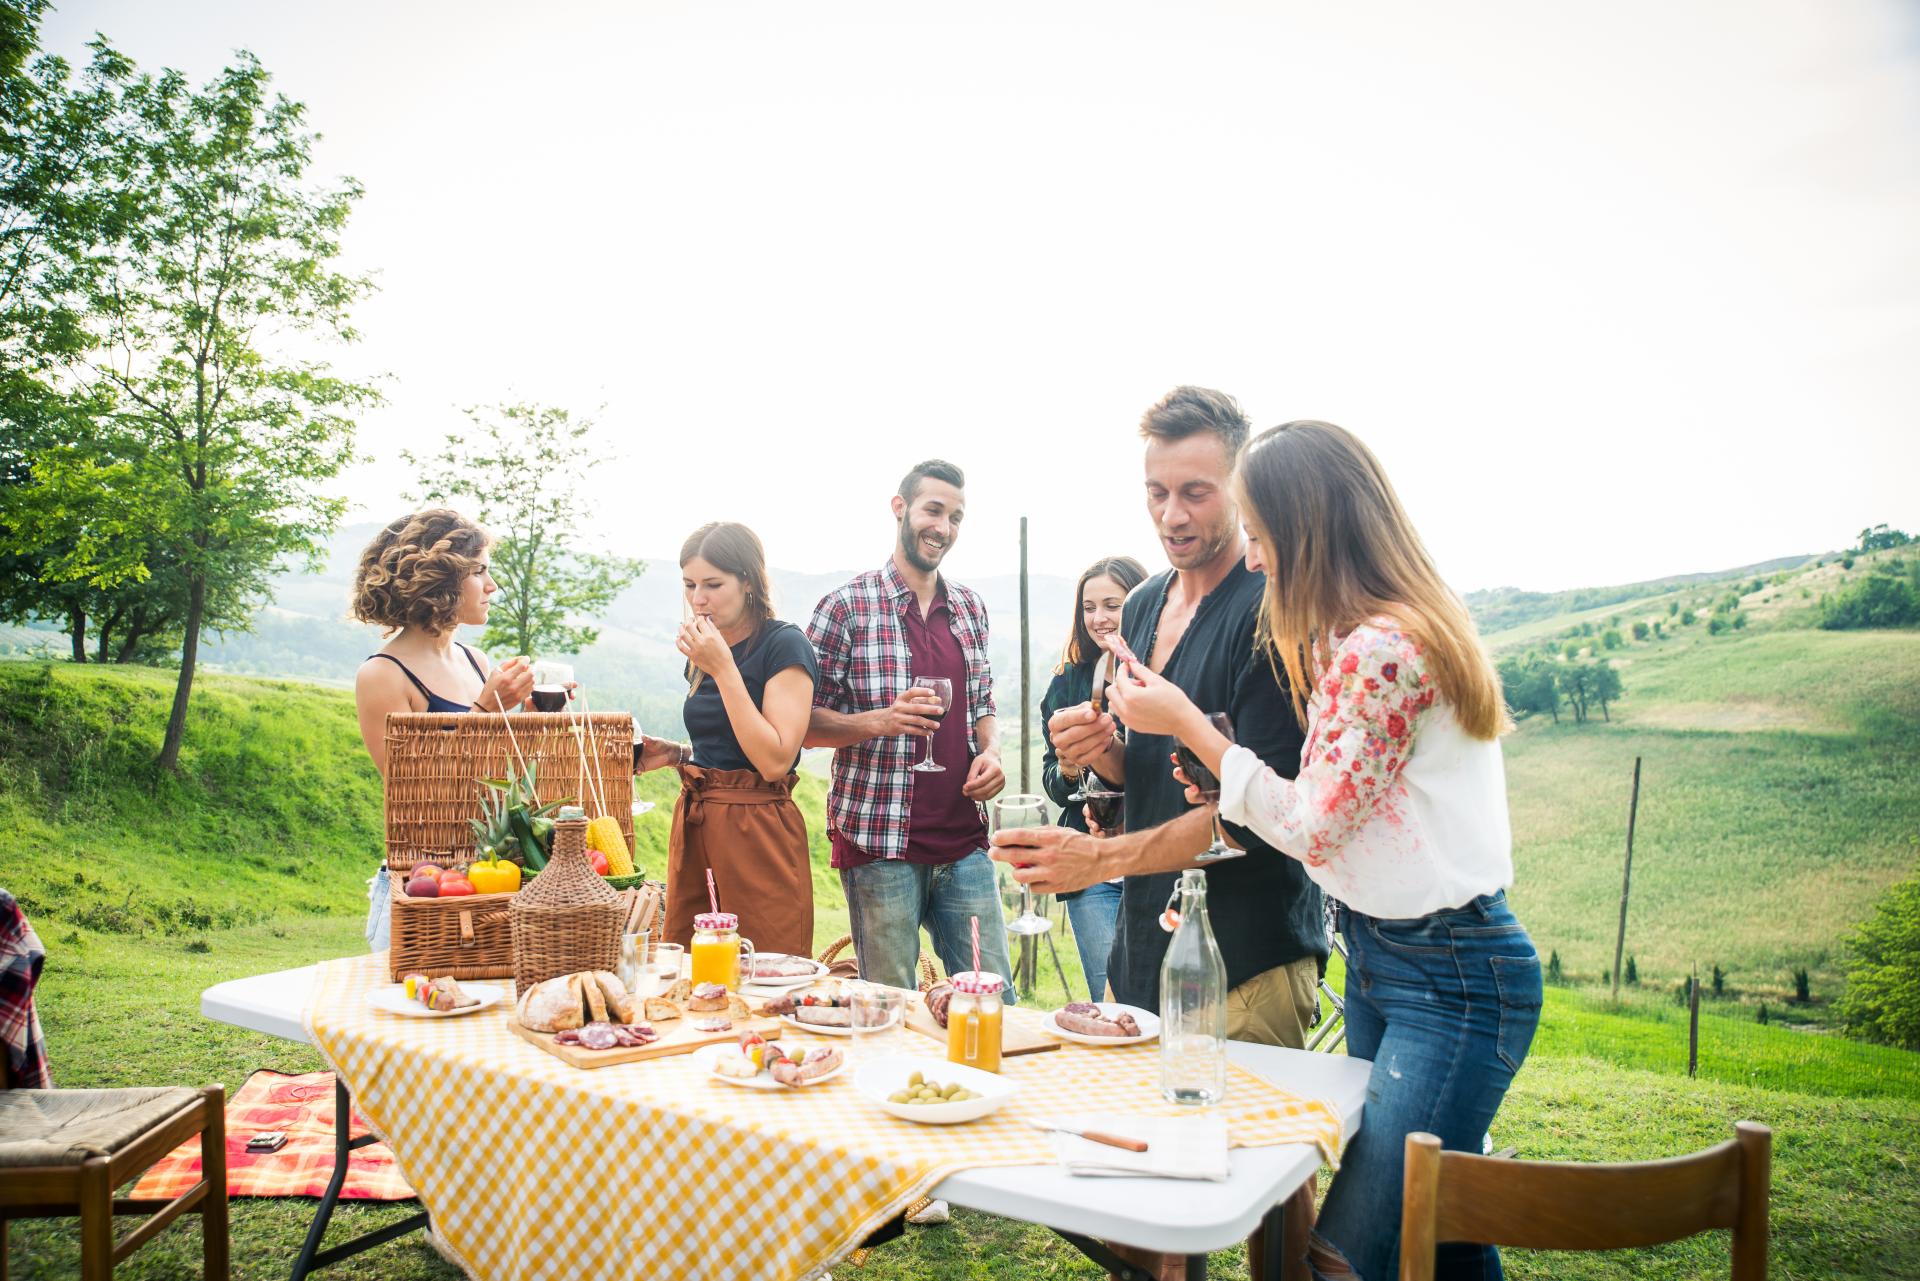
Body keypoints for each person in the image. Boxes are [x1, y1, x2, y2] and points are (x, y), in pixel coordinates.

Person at [1002, 421, 1541, 1281]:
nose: (1254, 557)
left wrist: (1192, 733)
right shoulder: (1352, 634)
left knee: (1340, 1252)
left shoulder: (1380, 650)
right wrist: (1177, 757)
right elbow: (1309, 801)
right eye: (1157, 492)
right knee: (1442, 1225)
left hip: (1450, 970)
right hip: (1384, 955)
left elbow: (1308, 824)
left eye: (1257, 529)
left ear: (1308, 526)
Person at [1040, 387, 1326, 1045]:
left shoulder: (1274, 610)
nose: (1170, 515)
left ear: (1241, 488)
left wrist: (1099, 859)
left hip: (1243, 964)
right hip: (1139, 949)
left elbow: (1260, 813)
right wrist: (1101, 755)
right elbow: (1153, 775)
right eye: (1156, 492)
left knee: (1234, 1151)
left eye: (1196, 492)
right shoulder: (1141, 603)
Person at [804, 459, 1015, 997]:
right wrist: (882, 720)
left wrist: (990, 752)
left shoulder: (970, 606)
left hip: (965, 841)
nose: (943, 527)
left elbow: (983, 704)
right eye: (934, 510)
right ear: (900, 509)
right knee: (888, 1007)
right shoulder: (845, 608)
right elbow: (803, 724)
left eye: (956, 517)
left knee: (996, 1001)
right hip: (880, 843)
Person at [350, 508, 534, 950]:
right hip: (425, 890)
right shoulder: (383, 675)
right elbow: (411, 793)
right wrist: (487, 709)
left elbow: (492, 778)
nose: (493, 587)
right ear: (442, 581)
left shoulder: (477, 662)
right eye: (480, 573)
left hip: (488, 880)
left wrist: (528, 721)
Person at [635, 522, 819, 959]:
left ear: (749, 581)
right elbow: (728, 738)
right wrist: (679, 753)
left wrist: (722, 668)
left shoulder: (784, 645)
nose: (698, 598)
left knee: (767, 966)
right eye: (690, 584)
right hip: (699, 822)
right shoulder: (707, 650)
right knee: (691, 966)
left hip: (757, 830)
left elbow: (775, 760)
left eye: (713, 584)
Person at [1039, 554, 1148, 1002]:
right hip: (1091, 865)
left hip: (1154, 859)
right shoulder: (1066, 682)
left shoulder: (1159, 674)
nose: (1099, 618)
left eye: (1112, 604)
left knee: (1157, 1002)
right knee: (1113, 1002)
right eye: (1088, 607)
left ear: (1141, 604)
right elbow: (1054, 783)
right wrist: (1066, 768)